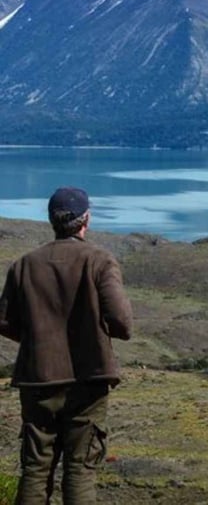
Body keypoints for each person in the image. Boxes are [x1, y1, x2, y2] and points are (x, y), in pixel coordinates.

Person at [0, 186, 132, 505]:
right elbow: (123, 324)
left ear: (52, 220)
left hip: (37, 380)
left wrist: (37, 341)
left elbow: (4, 322)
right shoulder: (100, 261)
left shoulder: (24, 265)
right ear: (85, 220)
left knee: (34, 469)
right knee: (80, 468)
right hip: (89, 380)